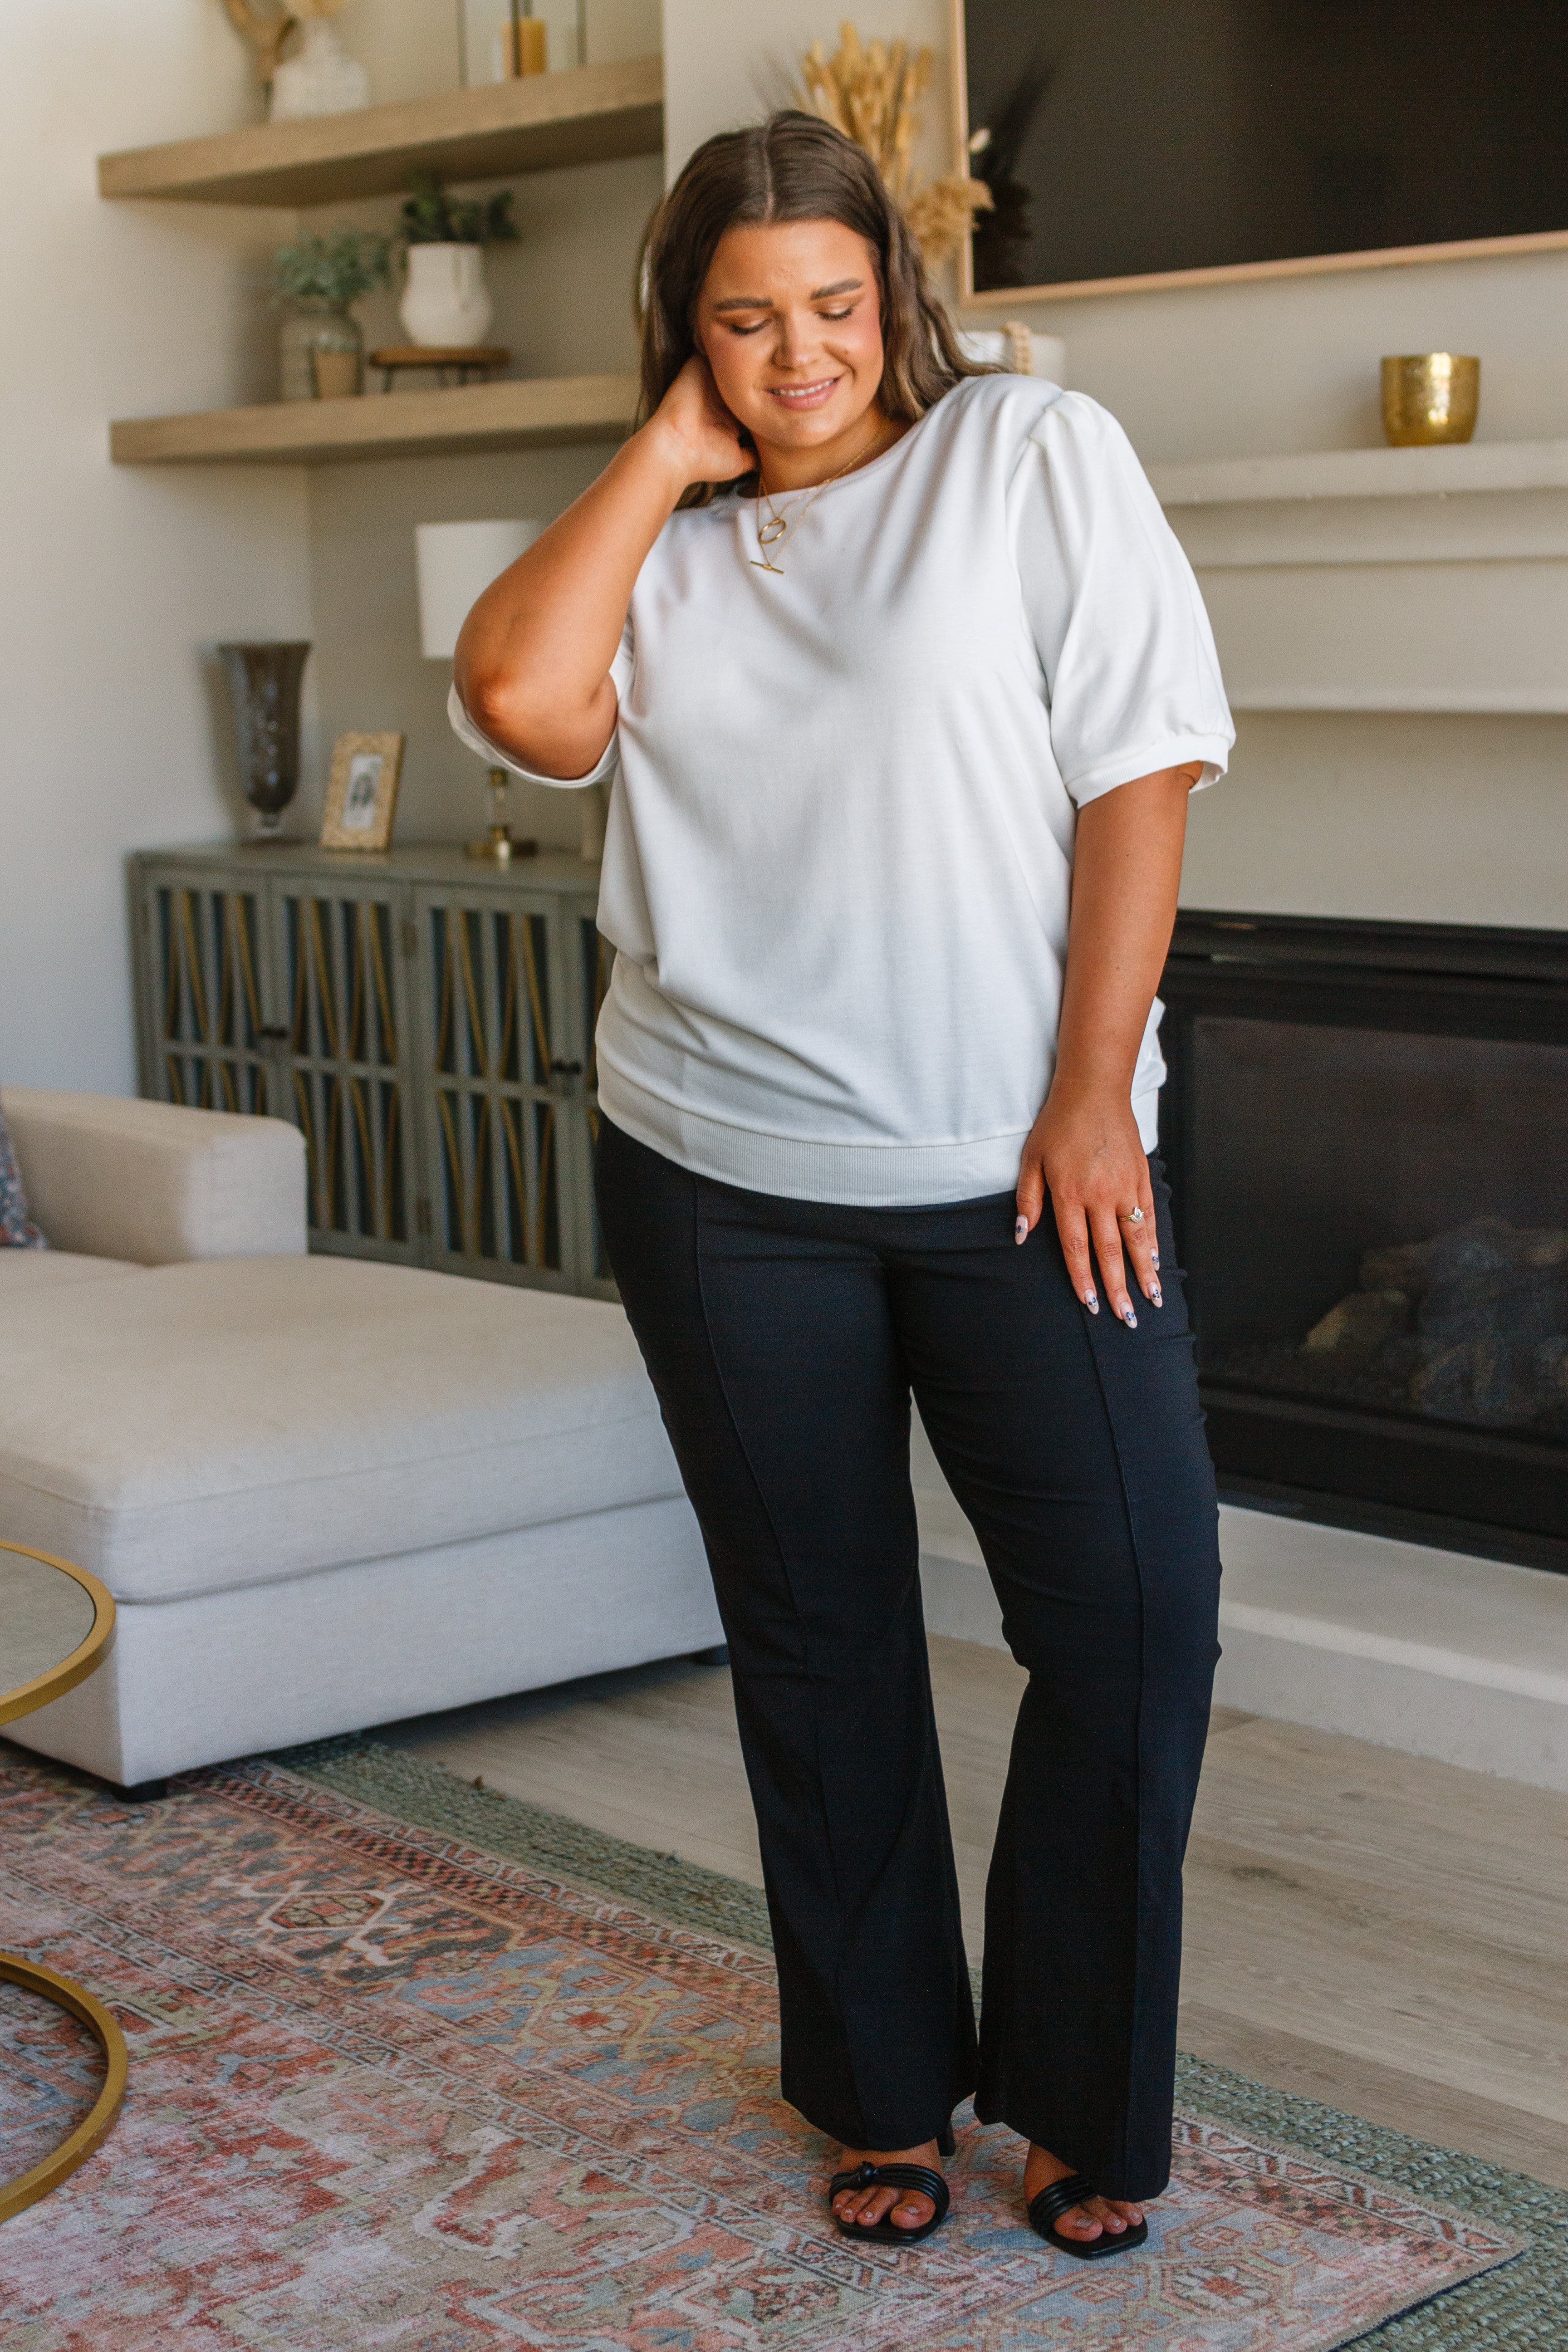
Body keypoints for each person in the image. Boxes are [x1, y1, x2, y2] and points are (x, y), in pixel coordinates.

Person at [451, 111, 1233, 2259]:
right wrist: (661, 463)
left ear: (890, 285)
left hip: (1022, 1168)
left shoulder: (1032, 458)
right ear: (686, 334)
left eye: (831, 302)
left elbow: (1140, 765)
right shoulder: (671, 536)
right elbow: (521, 697)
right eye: (743, 319)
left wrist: (1095, 1096)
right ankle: (881, 2080)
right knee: (819, 1641)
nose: (802, 351)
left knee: (1139, 1618)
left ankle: (1077, 2094)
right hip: (719, 1170)